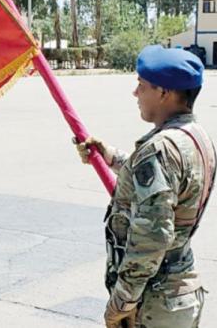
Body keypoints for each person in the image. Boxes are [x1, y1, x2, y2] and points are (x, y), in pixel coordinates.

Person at [76, 45, 215, 328]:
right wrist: (110, 156)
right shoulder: (196, 137)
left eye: (142, 85)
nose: (135, 93)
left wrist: (122, 303)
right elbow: (163, 185)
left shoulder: (160, 149)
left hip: (155, 301)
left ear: (164, 93)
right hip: (180, 293)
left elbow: (152, 239)